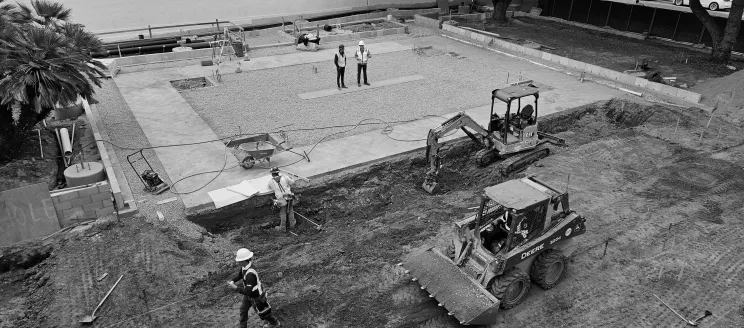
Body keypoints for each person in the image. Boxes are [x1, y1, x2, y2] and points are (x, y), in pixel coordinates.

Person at [228, 248, 281, 328]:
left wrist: (235, 287)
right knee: (243, 310)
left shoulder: (250, 274)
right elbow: (240, 275)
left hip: (256, 297)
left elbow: (247, 291)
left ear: (244, 261)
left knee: (264, 313)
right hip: (249, 294)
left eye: (239, 260)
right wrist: (233, 280)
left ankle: (274, 323)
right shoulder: (244, 267)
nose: (237, 262)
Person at [268, 167, 296, 232]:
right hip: (289, 196)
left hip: (281, 199)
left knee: (283, 212)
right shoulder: (285, 177)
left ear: (272, 174)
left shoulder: (271, 182)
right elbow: (292, 182)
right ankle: (292, 225)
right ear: (278, 172)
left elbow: (269, 187)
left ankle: (283, 227)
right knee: (291, 210)